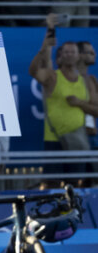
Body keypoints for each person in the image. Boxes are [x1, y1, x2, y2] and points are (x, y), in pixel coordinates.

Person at [29, 21, 94, 186]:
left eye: (73, 52)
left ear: (79, 56)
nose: (70, 55)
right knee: (53, 184)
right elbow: (34, 71)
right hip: (54, 140)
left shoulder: (85, 81)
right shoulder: (53, 77)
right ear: (61, 56)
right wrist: (43, 49)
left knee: (75, 185)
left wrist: (80, 103)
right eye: (66, 52)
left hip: (77, 140)